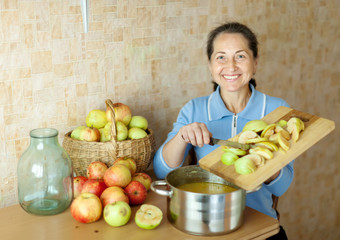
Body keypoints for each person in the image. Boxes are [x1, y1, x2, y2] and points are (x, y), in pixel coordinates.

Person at [153, 22, 292, 239]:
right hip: (205, 227)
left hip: (260, 228)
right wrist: (182, 136)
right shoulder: (195, 109)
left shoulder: (278, 110)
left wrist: (261, 157)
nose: (231, 66)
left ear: (255, 62)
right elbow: (162, 173)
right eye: (221, 57)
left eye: (240, 56)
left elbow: (282, 186)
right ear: (210, 65)